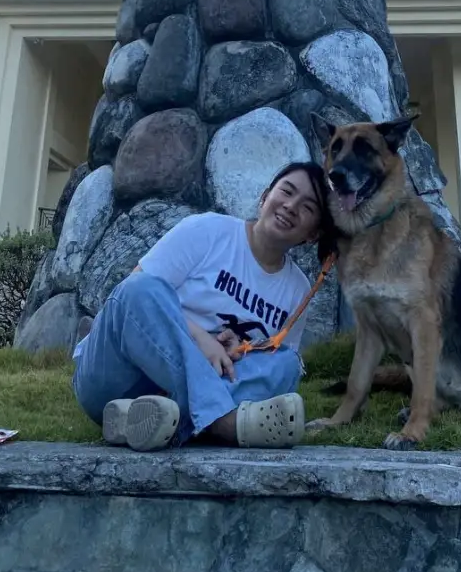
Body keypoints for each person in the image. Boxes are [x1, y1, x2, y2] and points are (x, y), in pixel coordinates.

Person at [71, 161, 330, 451]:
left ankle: (132, 420)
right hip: (116, 376)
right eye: (286, 191)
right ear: (265, 197)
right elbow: (133, 299)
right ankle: (223, 423)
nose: (291, 206)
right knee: (137, 289)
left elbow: (268, 360)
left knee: (285, 363)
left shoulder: (297, 290)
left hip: (170, 401)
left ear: (313, 234)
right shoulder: (208, 230)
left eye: (307, 207)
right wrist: (198, 337)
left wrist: (243, 347)